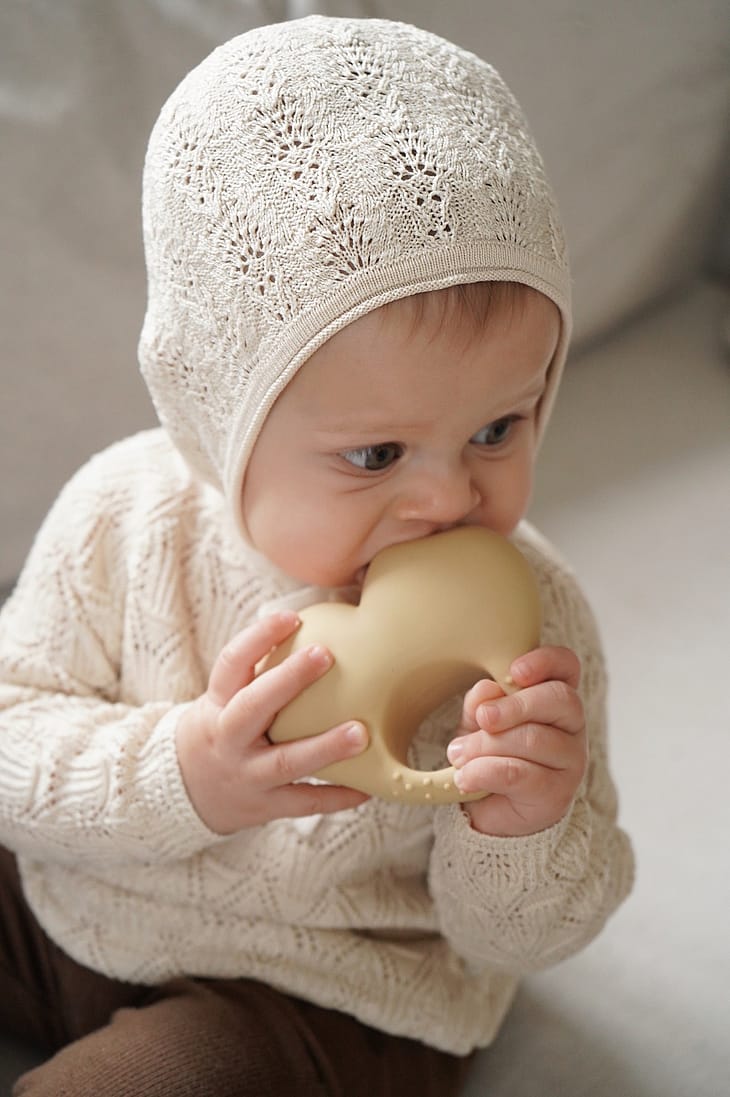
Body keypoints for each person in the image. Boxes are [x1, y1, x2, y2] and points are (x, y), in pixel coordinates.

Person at [0, 16, 634, 1096]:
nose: (450, 498)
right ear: (222, 421)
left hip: (327, 990)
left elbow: (522, 937)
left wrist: (520, 822)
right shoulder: (123, 517)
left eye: (497, 428)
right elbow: (14, 733)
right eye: (376, 454)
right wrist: (185, 772)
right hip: (76, 892)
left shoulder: (536, 624)